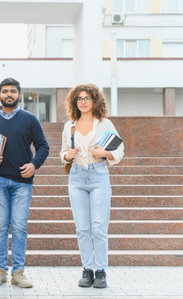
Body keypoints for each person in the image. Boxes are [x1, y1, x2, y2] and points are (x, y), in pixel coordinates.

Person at [0, 78, 49, 288]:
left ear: (19, 95)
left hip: (23, 181)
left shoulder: (30, 119)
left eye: (13, 91)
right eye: (5, 91)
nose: (9, 94)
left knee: (20, 227)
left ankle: (18, 272)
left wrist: (34, 164)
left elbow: (43, 146)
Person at [60, 83, 124, 289]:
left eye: (87, 98)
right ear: (74, 102)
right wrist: (66, 155)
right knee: (82, 228)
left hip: (98, 176)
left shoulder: (104, 124)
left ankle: (101, 270)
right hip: (76, 178)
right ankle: (87, 269)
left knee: (98, 226)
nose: (83, 102)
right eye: (80, 98)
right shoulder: (69, 126)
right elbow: (62, 152)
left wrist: (104, 154)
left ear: (95, 101)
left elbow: (119, 150)